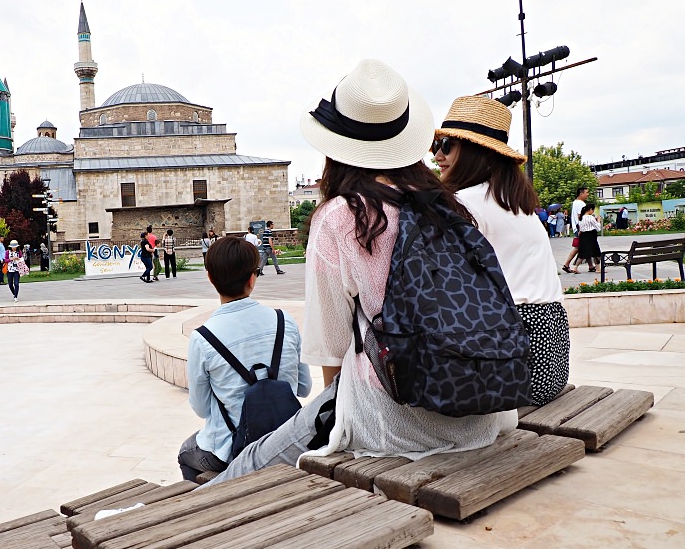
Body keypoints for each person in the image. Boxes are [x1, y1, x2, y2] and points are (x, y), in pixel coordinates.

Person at [202, 60, 517, 488]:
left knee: (248, 465)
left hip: (396, 423)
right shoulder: (450, 208)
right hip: (483, 415)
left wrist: (336, 420)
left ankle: (187, 514)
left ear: (337, 147)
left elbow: (331, 351)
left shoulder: (340, 217)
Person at [437, 95, 570, 405]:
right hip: (551, 363)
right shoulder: (518, 204)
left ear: (472, 151)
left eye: (446, 145)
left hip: (513, 366)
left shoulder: (463, 205)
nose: (437, 156)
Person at [178, 236, 312, 482]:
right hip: (286, 441)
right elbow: (304, 388)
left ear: (210, 278)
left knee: (186, 452)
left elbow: (201, 408)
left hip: (233, 451)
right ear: (253, 279)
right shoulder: (285, 321)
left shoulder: (202, 338)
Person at [561, 187, 590, 273]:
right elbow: (580, 216)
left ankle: (591, 266)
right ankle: (566, 264)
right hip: (581, 228)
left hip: (576, 226)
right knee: (579, 247)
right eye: (586, 192)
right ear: (581, 194)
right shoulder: (581, 204)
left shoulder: (575, 202)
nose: (587, 194)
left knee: (587, 246)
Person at [577, 204, 602, 272]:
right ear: (590, 209)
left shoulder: (581, 218)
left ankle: (575, 267)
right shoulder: (590, 217)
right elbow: (598, 228)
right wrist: (598, 220)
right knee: (596, 252)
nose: (593, 212)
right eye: (593, 210)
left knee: (583, 253)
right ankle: (598, 269)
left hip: (583, 236)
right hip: (591, 235)